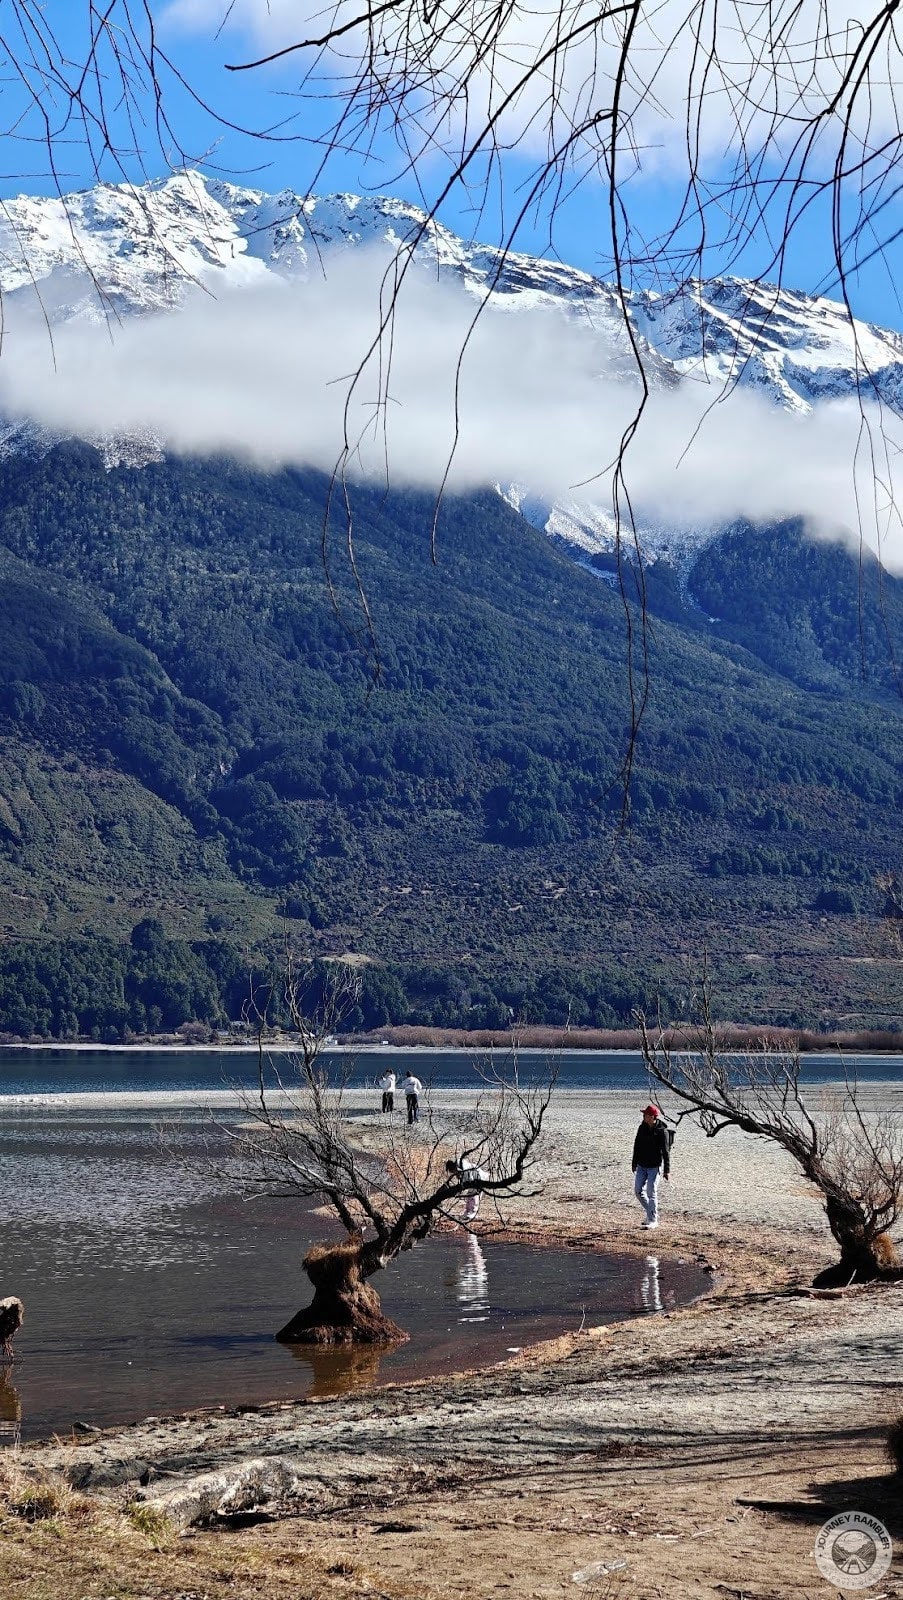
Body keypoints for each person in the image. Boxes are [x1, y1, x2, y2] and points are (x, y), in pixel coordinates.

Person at [632, 1103, 670, 1230]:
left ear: (652, 1117)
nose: (643, 1116)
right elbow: (636, 1145)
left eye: (645, 1115)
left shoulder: (662, 1131)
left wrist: (667, 1171)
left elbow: (666, 1152)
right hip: (641, 1165)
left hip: (654, 1167)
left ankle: (653, 1220)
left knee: (651, 1192)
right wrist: (634, 1163)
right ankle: (651, 1213)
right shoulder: (641, 1128)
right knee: (638, 1191)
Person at [445, 1155, 489, 1220]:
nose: (453, 1173)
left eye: (452, 1171)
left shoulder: (465, 1169)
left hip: (480, 1179)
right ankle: (468, 1212)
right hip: (475, 1180)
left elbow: (469, 1180)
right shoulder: (461, 1167)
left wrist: (460, 1187)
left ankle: (472, 1215)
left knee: (473, 1196)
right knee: (469, 1196)